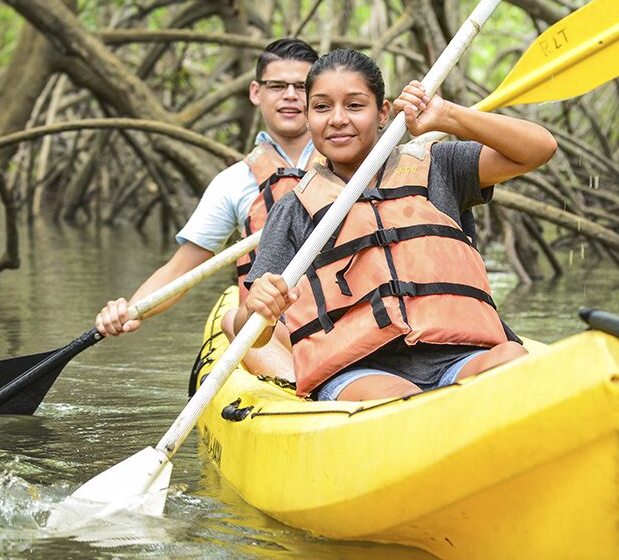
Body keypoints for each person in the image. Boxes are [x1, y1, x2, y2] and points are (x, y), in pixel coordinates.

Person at [235, 49, 558, 401]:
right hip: (360, 372)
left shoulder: (440, 167)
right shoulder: (293, 209)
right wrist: (257, 308)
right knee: (400, 397)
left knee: (511, 356)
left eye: (355, 106)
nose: (338, 119)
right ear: (308, 117)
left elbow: (539, 148)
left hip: (459, 358)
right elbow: (251, 334)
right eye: (322, 107)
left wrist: (447, 116)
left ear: (383, 113)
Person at [95, 38, 320, 382]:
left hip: (343, 315)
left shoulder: (355, 164)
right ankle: (301, 387)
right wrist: (131, 310)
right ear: (255, 92)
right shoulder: (234, 182)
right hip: (274, 326)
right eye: (277, 86)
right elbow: (181, 270)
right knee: (234, 319)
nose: (290, 96)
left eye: (301, 87)